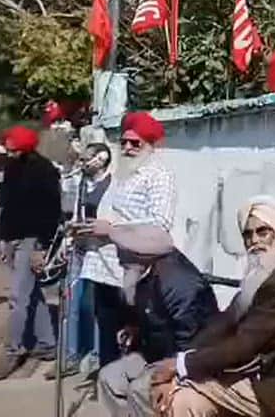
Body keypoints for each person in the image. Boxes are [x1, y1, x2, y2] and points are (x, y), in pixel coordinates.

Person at [141, 197, 275, 417]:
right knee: (185, 402)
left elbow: (245, 343)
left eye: (263, 232)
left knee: (171, 389)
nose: (254, 241)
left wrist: (180, 367)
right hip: (251, 373)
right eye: (248, 234)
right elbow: (225, 322)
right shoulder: (265, 271)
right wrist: (185, 356)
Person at [76, 112, 176, 371]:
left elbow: (159, 227)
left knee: (134, 341)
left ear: (150, 146)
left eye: (136, 143)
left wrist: (111, 229)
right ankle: (110, 386)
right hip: (103, 268)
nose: (128, 148)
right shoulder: (121, 173)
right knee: (108, 335)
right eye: (125, 143)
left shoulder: (158, 176)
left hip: (133, 273)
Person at [97, 231, 217, 417]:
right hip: (154, 354)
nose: (120, 260)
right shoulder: (144, 275)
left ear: (140, 254)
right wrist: (136, 331)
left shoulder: (177, 282)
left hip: (183, 360)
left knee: (140, 389)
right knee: (109, 378)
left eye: (124, 253)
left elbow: (191, 339)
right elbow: (156, 319)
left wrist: (173, 375)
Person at [0, 126, 61, 381]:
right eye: (7, 149)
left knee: (18, 297)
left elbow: (51, 212)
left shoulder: (45, 171)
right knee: (33, 293)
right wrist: (2, 239)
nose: (9, 154)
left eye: (13, 149)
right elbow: (7, 206)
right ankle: (47, 344)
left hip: (34, 239)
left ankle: (13, 350)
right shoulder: (11, 168)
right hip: (14, 237)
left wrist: (43, 247)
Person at [45, 143, 113, 380]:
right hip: (80, 250)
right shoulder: (83, 183)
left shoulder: (112, 186)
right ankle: (71, 356)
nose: (82, 164)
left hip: (101, 253)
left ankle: (96, 355)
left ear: (102, 159)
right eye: (81, 160)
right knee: (72, 305)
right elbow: (76, 215)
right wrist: (66, 244)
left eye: (87, 159)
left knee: (95, 306)